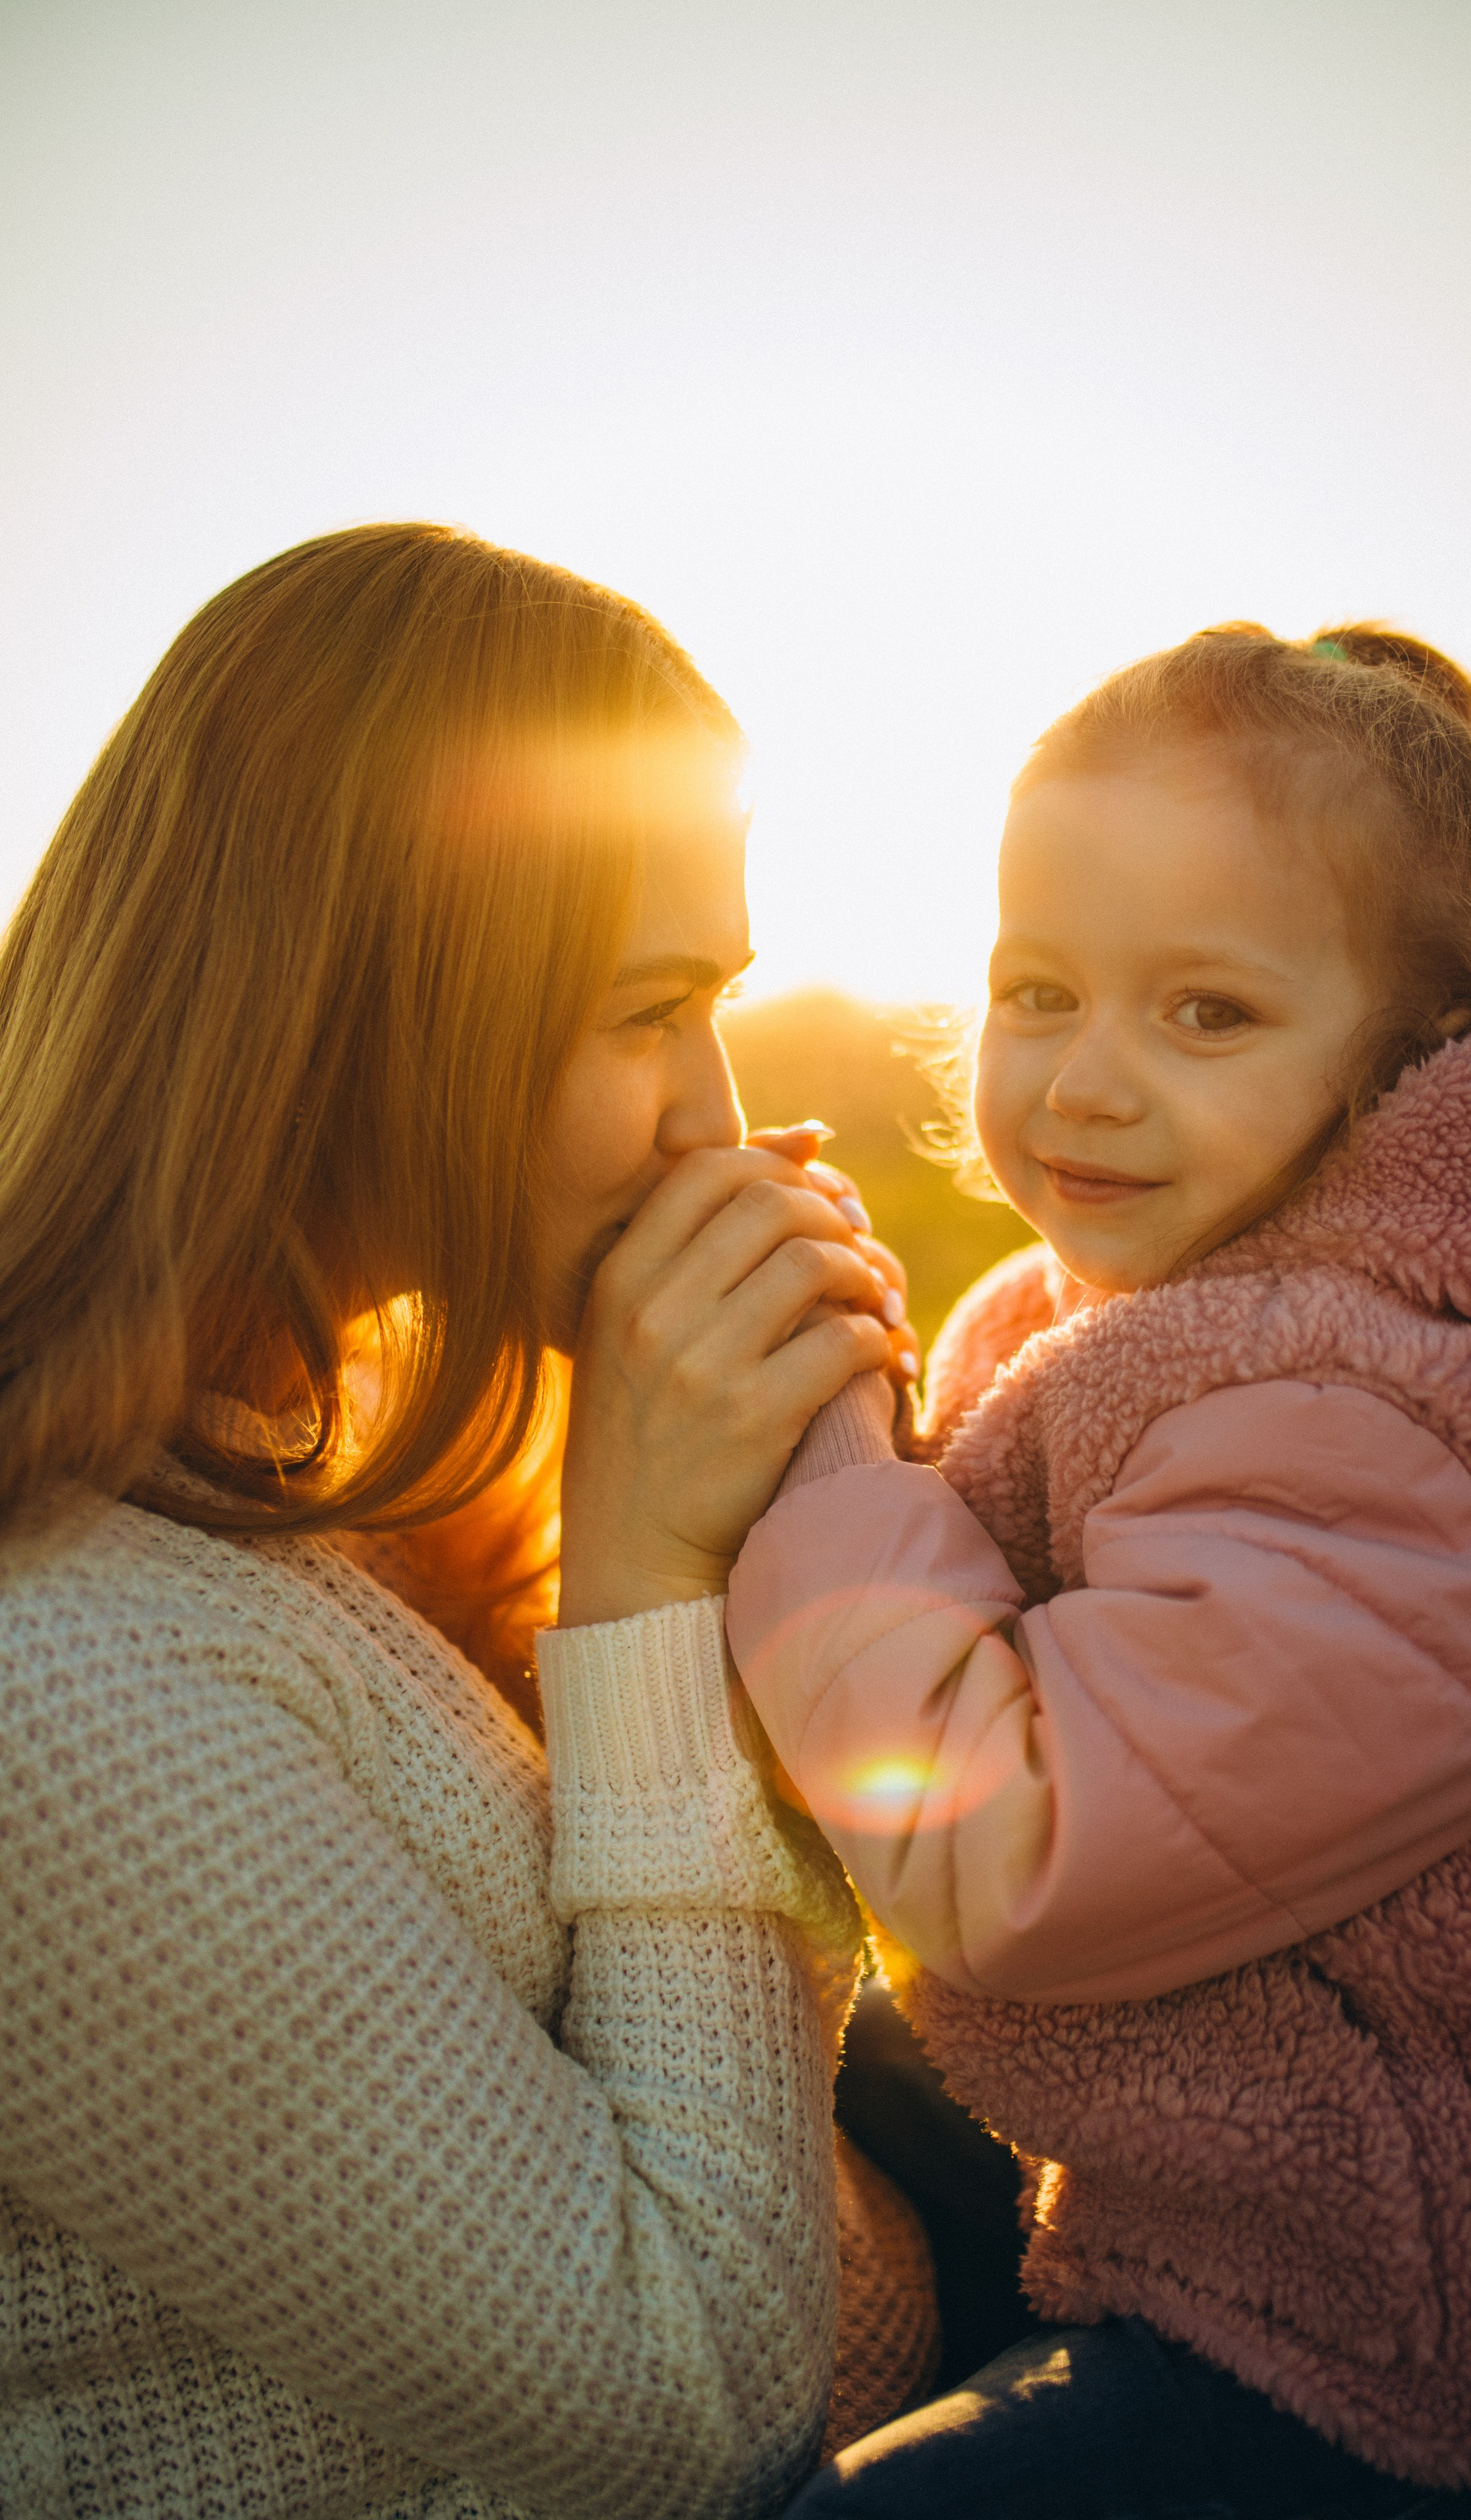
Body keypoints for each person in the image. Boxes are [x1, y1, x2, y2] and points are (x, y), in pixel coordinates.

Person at [0, 520, 934, 2519]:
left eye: (722, 1002)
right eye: (645, 1008)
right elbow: (695, 2397)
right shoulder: (55, 1690)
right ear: (360, 1007)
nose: (714, 1106)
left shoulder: (326, 1487)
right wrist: (647, 1597)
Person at [722, 625, 1471, 2514]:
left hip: (1437, 2352)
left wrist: (820, 1452)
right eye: (1039, 988)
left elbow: (1017, 1849)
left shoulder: (1409, 1440)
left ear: (1406, 1072)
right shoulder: (1117, 1325)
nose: (1082, 1081)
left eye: (1207, 1014)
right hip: (1249, 2197)